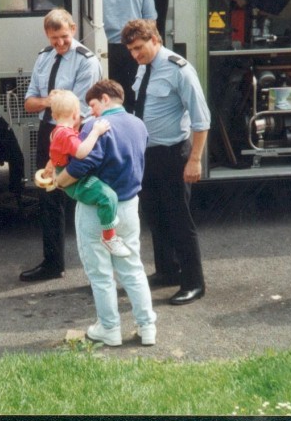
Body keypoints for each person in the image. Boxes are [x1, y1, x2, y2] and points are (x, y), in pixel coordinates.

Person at [55, 79, 156, 346]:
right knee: (133, 268)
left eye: (93, 105)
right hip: (130, 204)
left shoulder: (93, 127)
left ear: (105, 99)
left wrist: (59, 181)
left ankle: (109, 329)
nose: (91, 111)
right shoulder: (139, 124)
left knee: (100, 273)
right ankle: (147, 327)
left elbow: (82, 164)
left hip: (96, 209)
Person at [122, 18, 210, 305]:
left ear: (155, 40)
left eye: (139, 47)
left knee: (178, 220)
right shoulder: (144, 67)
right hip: (147, 154)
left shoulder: (179, 70)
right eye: (131, 50)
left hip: (173, 154)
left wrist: (195, 160)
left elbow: (201, 119)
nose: (136, 54)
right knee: (156, 216)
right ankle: (167, 272)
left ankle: (194, 282)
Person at [20, 8, 103, 282]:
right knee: (48, 196)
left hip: (73, 133)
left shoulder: (85, 61)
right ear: (47, 35)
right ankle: (53, 263)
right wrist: (49, 102)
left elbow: (76, 112)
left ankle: (97, 271)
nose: (60, 43)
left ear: (74, 30)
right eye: (54, 37)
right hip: (49, 130)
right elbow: (29, 102)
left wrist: (50, 103)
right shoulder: (44, 58)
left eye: (64, 36)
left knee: (84, 196)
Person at [37, 89, 131, 258]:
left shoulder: (57, 131)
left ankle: (110, 233)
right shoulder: (65, 134)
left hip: (67, 176)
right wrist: (96, 131)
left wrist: (51, 165)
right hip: (75, 184)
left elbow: (57, 153)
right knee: (108, 197)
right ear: (75, 115)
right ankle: (109, 237)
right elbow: (81, 152)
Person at [101, 0, 157, 113]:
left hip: (102, 51)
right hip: (135, 50)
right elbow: (150, 23)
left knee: (107, 103)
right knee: (134, 100)